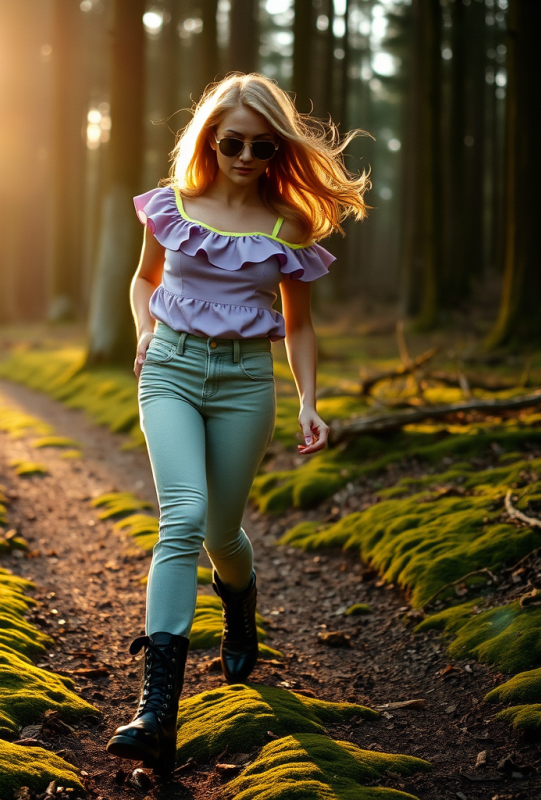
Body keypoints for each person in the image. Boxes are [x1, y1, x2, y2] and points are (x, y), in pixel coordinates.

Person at [106, 72, 369, 777]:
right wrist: (140, 330)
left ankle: (240, 604)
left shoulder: (288, 224)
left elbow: (299, 325)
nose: (246, 157)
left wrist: (310, 400)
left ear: (277, 148)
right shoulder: (172, 205)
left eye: (261, 145)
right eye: (233, 143)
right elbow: (143, 280)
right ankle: (158, 709)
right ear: (210, 140)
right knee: (183, 517)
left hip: (247, 380)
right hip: (170, 368)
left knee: (223, 531)